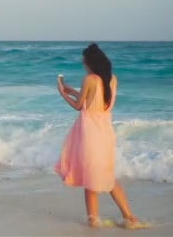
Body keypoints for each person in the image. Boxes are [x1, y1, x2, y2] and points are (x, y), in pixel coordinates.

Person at [54, 43, 139, 228]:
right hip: (106, 131)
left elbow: (80, 107)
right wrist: (73, 91)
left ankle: (93, 220)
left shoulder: (89, 79)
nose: (83, 64)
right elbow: (95, 103)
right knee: (108, 176)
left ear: (90, 62)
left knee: (90, 178)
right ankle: (129, 217)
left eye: (84, 61)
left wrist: (62, 93)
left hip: (90, 133)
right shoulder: (112, 79)